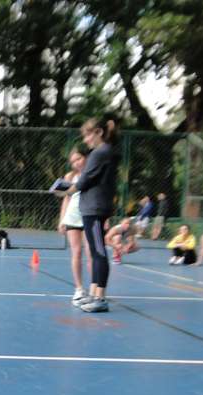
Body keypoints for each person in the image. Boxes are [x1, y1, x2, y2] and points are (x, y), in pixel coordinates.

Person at [64, 115, 119, 313]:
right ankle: (95, 293)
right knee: (96, 252)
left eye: (88, 135)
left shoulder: (100, 153)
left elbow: (84, 181)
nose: (86, 140)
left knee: (98, 252)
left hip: (94, 208)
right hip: (93, 207)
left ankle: (100, 298)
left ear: (99, 133)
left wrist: (68, 189)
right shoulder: (106, 152)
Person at [57, 146, 92, 304]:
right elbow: (66, 199)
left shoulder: (93, 173)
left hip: (89, 217)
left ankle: (94, 289)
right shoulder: (70, 176)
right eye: (73, 161)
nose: (76, 163)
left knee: (91, 254)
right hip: (72, 218)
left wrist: (106, 219)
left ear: (85, 157)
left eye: (79, 158)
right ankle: (79, 289)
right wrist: (62, 220)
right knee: (76, 253)